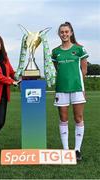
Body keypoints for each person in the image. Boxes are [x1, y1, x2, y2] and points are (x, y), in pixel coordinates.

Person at [52, 22, 89, 161]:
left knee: (78, 118)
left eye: (67, 31)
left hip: (77, 89)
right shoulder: (56, 52)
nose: (64, 34)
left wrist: (82, 87)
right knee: (63, 118)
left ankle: (77, 150)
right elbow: (57, 69)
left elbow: (84, 71)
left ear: (71, 33)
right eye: (62, 32)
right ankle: (66, 150)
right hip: (61, 89)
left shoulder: (79, 49)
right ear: (59, 34)